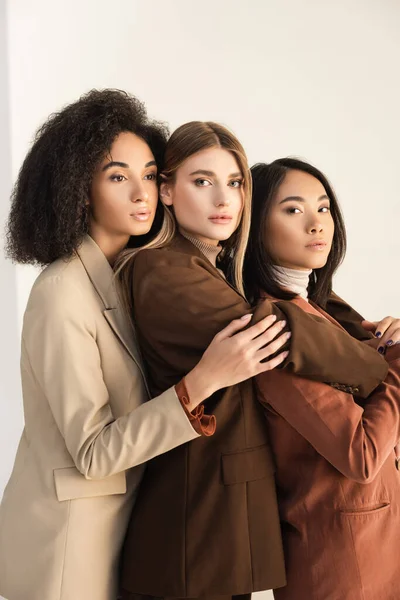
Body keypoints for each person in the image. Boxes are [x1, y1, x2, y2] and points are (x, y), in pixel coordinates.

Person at [0, 91, 290, 600]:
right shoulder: (61, 292)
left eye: (151, 176)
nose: (142, 193)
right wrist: (204, 381)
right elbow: (91, 452)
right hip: (71, 545)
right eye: (117, 176)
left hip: (129, 532)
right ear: (78, 189)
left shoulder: (128, 274)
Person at [117, 122, 388, 600]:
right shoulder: (165, 268)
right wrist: (382, 364)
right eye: (203, 181)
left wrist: (365, 332)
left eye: (235, 183)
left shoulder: (215, 263)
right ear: (167, 191)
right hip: (197, 519)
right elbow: (278, 328)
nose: (223, 199)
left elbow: (303, 311)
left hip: (226, 515)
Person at [245, 158, 400, 600]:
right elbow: (362, 455)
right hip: (342, 561)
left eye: (324, 208)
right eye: (293, 210)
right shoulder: (276, 328)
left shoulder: (323, 313)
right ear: (255, 226)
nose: (317, 224)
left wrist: (384, 345)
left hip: (372, 543)